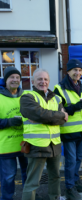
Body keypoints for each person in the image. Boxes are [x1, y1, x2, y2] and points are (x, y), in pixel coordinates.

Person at [20, 68, 68, 200]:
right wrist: (57, 116)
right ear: (33, 81)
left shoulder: (57, 98)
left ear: (49, 81)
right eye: (39, 79)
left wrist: (45, 116)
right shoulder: (27, 97)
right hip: (36, 145)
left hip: (55, 144)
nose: (43, 82)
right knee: (33, 181)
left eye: (45, 79)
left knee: (55, 176)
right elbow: (38, 114)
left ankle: (55, 197)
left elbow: (62, 120)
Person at [54, 59, 82, 200]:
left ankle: (75, 181)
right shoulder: (59, 88)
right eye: (75, 70)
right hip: (69, 131)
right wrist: (74, 107)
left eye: (80, 70)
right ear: (68, 71)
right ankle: (69, 188)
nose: (78, 72)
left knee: (78, 158)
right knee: (71, 160)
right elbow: (58, 111)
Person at [0, 67, 28, 200]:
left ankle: (28, 197)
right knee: (8, 177)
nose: (15, 80)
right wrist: (8, 122)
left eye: (17, 77)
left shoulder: (26, 96)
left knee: (28, 175)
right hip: (6, 146)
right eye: (12, 77)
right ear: (5, 80)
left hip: (26, 144)